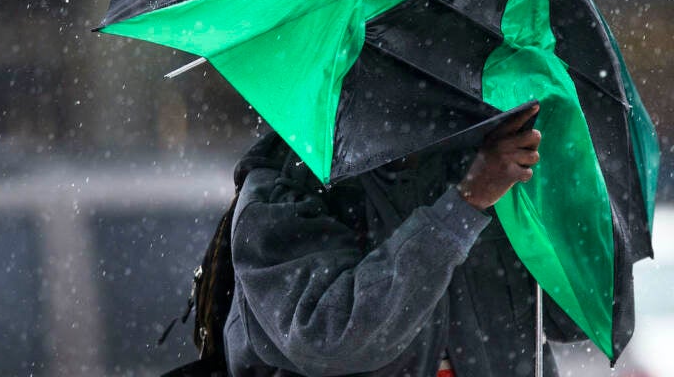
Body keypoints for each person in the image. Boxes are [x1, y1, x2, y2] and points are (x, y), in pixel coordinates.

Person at [223, 104, 586, 376]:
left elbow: (578, 320)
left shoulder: (488, 156)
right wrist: (463, 206)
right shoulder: (282, 191)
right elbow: (330, 337)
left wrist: (570, 175)